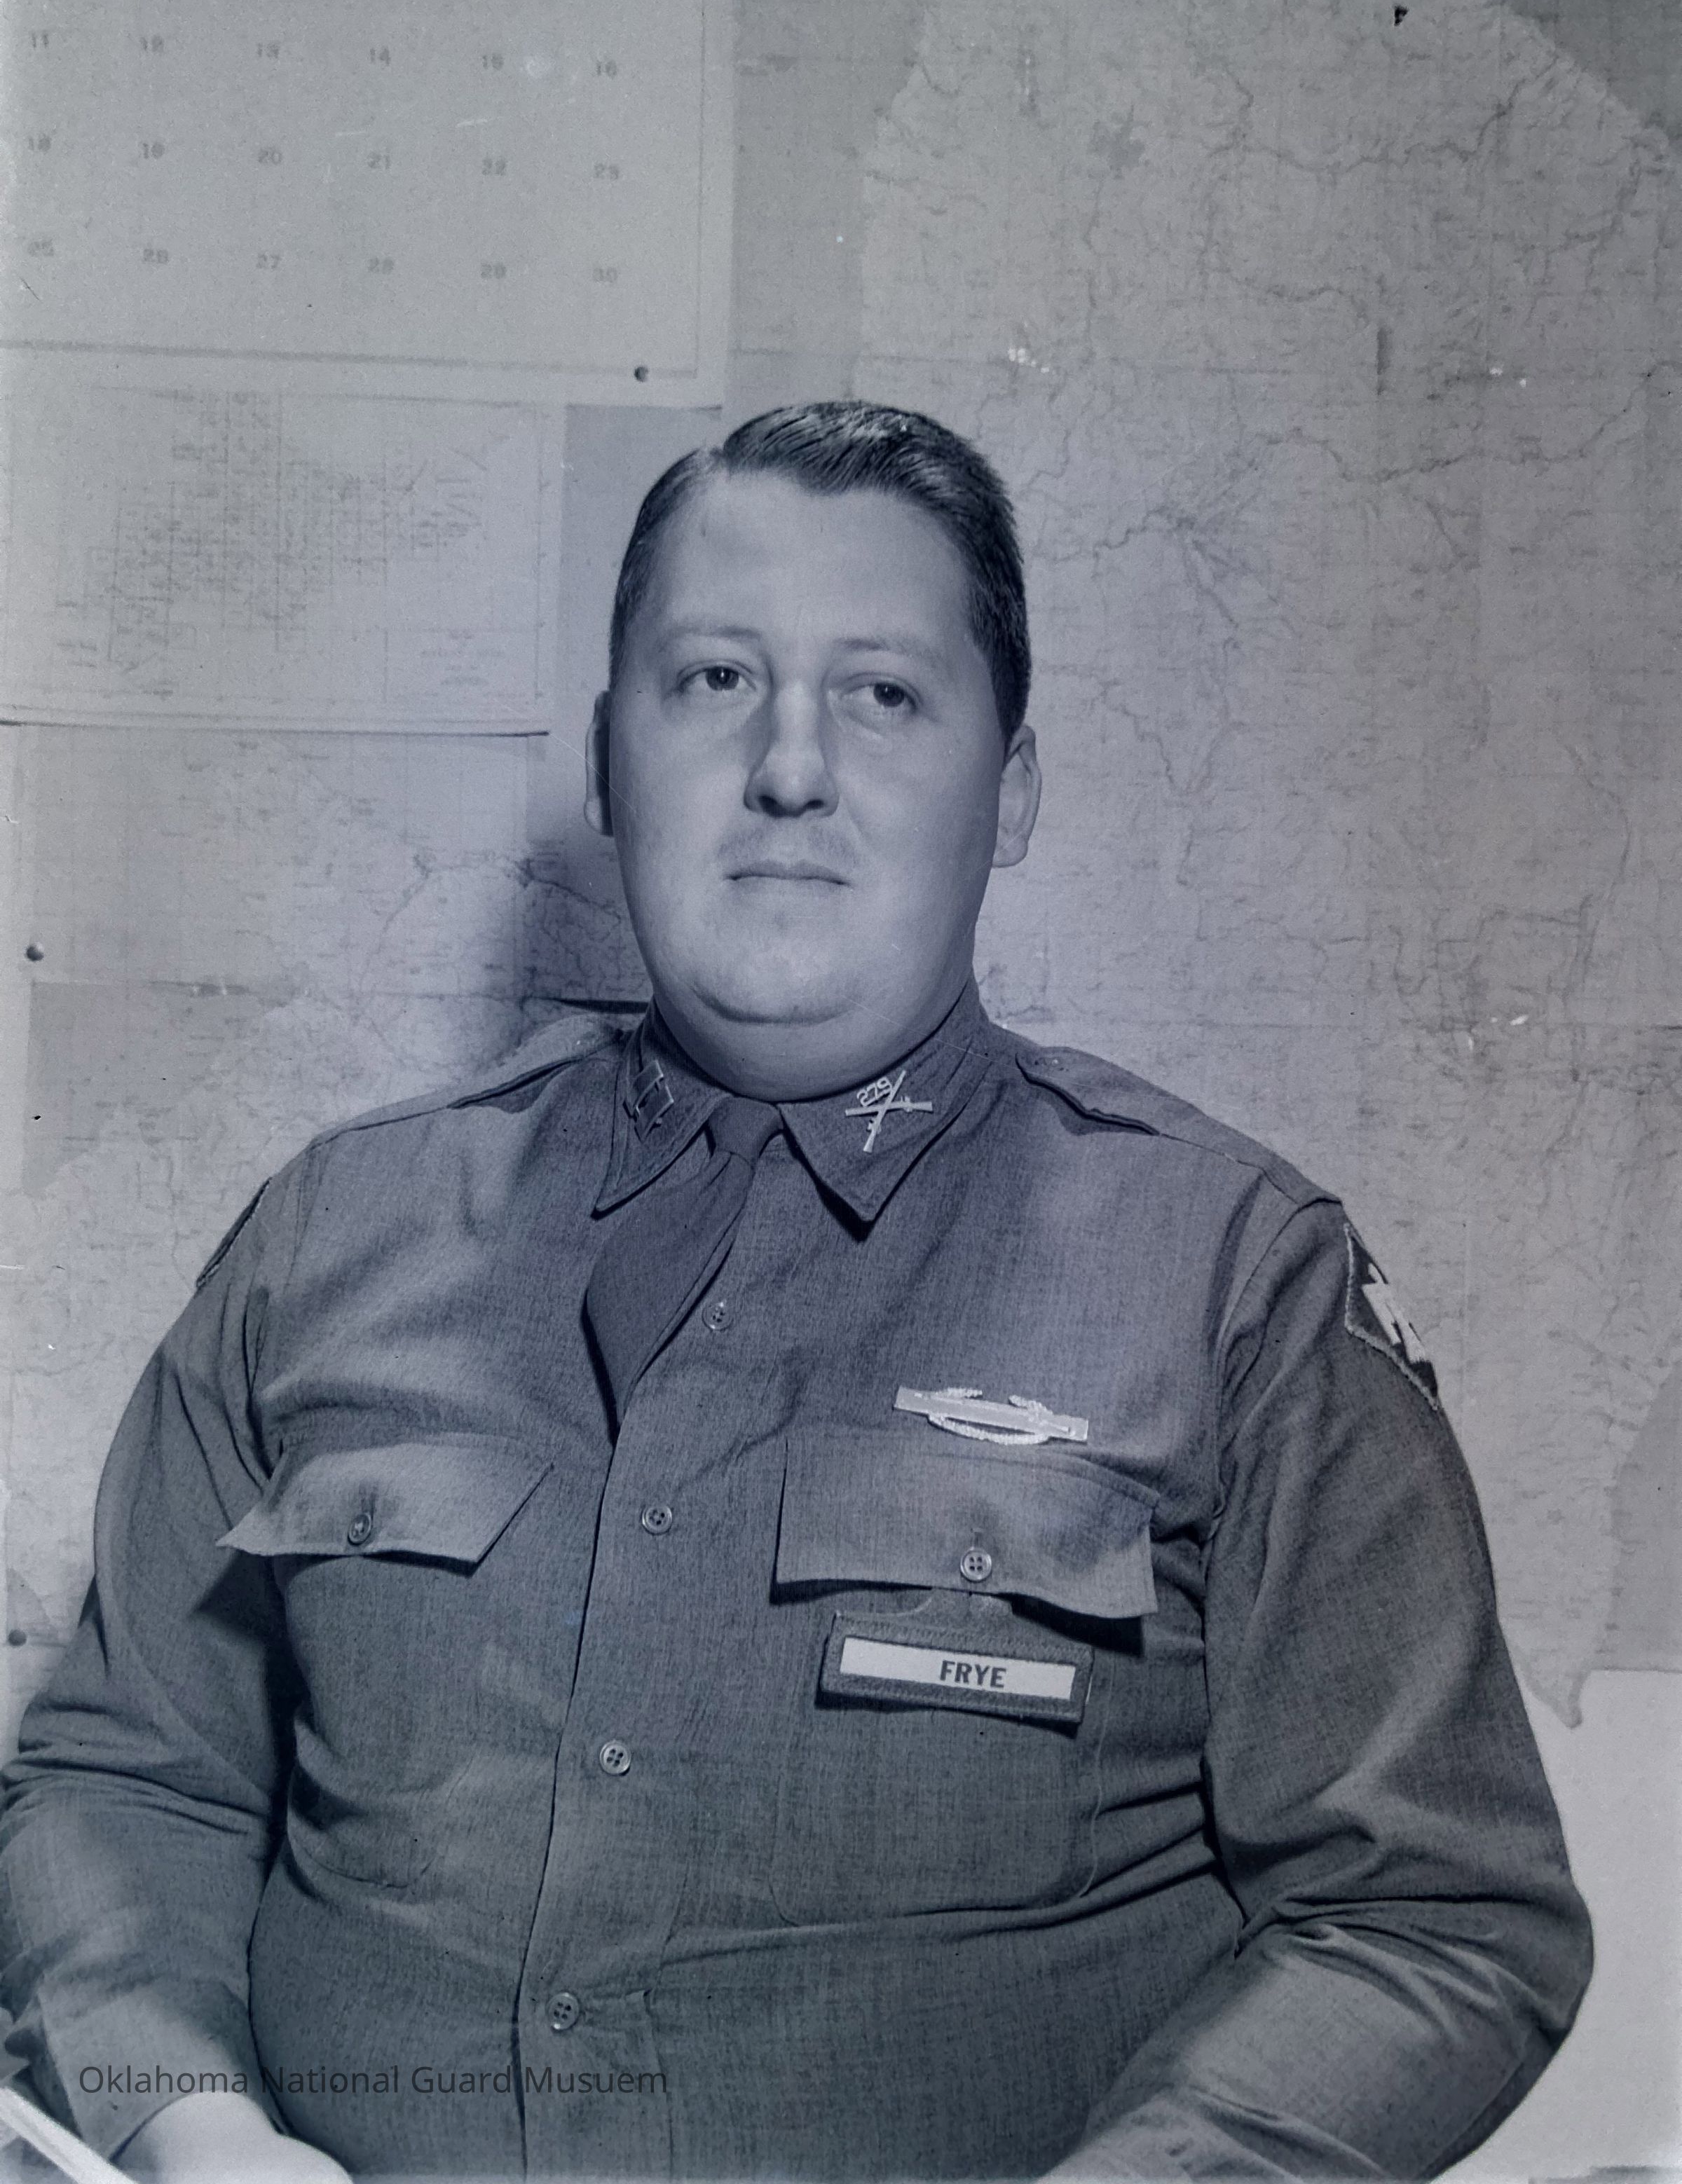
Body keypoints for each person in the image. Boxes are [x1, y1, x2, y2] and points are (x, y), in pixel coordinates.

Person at [0, 402, 1590, 2183]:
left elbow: (1436, 1916)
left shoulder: (1237, 1281)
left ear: (1014, 786)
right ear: (609, 762)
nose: (789, 768)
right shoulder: (328, 1234)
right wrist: (188, 2127)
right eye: (715, 681)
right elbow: (124, 1780)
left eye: (884, 694)